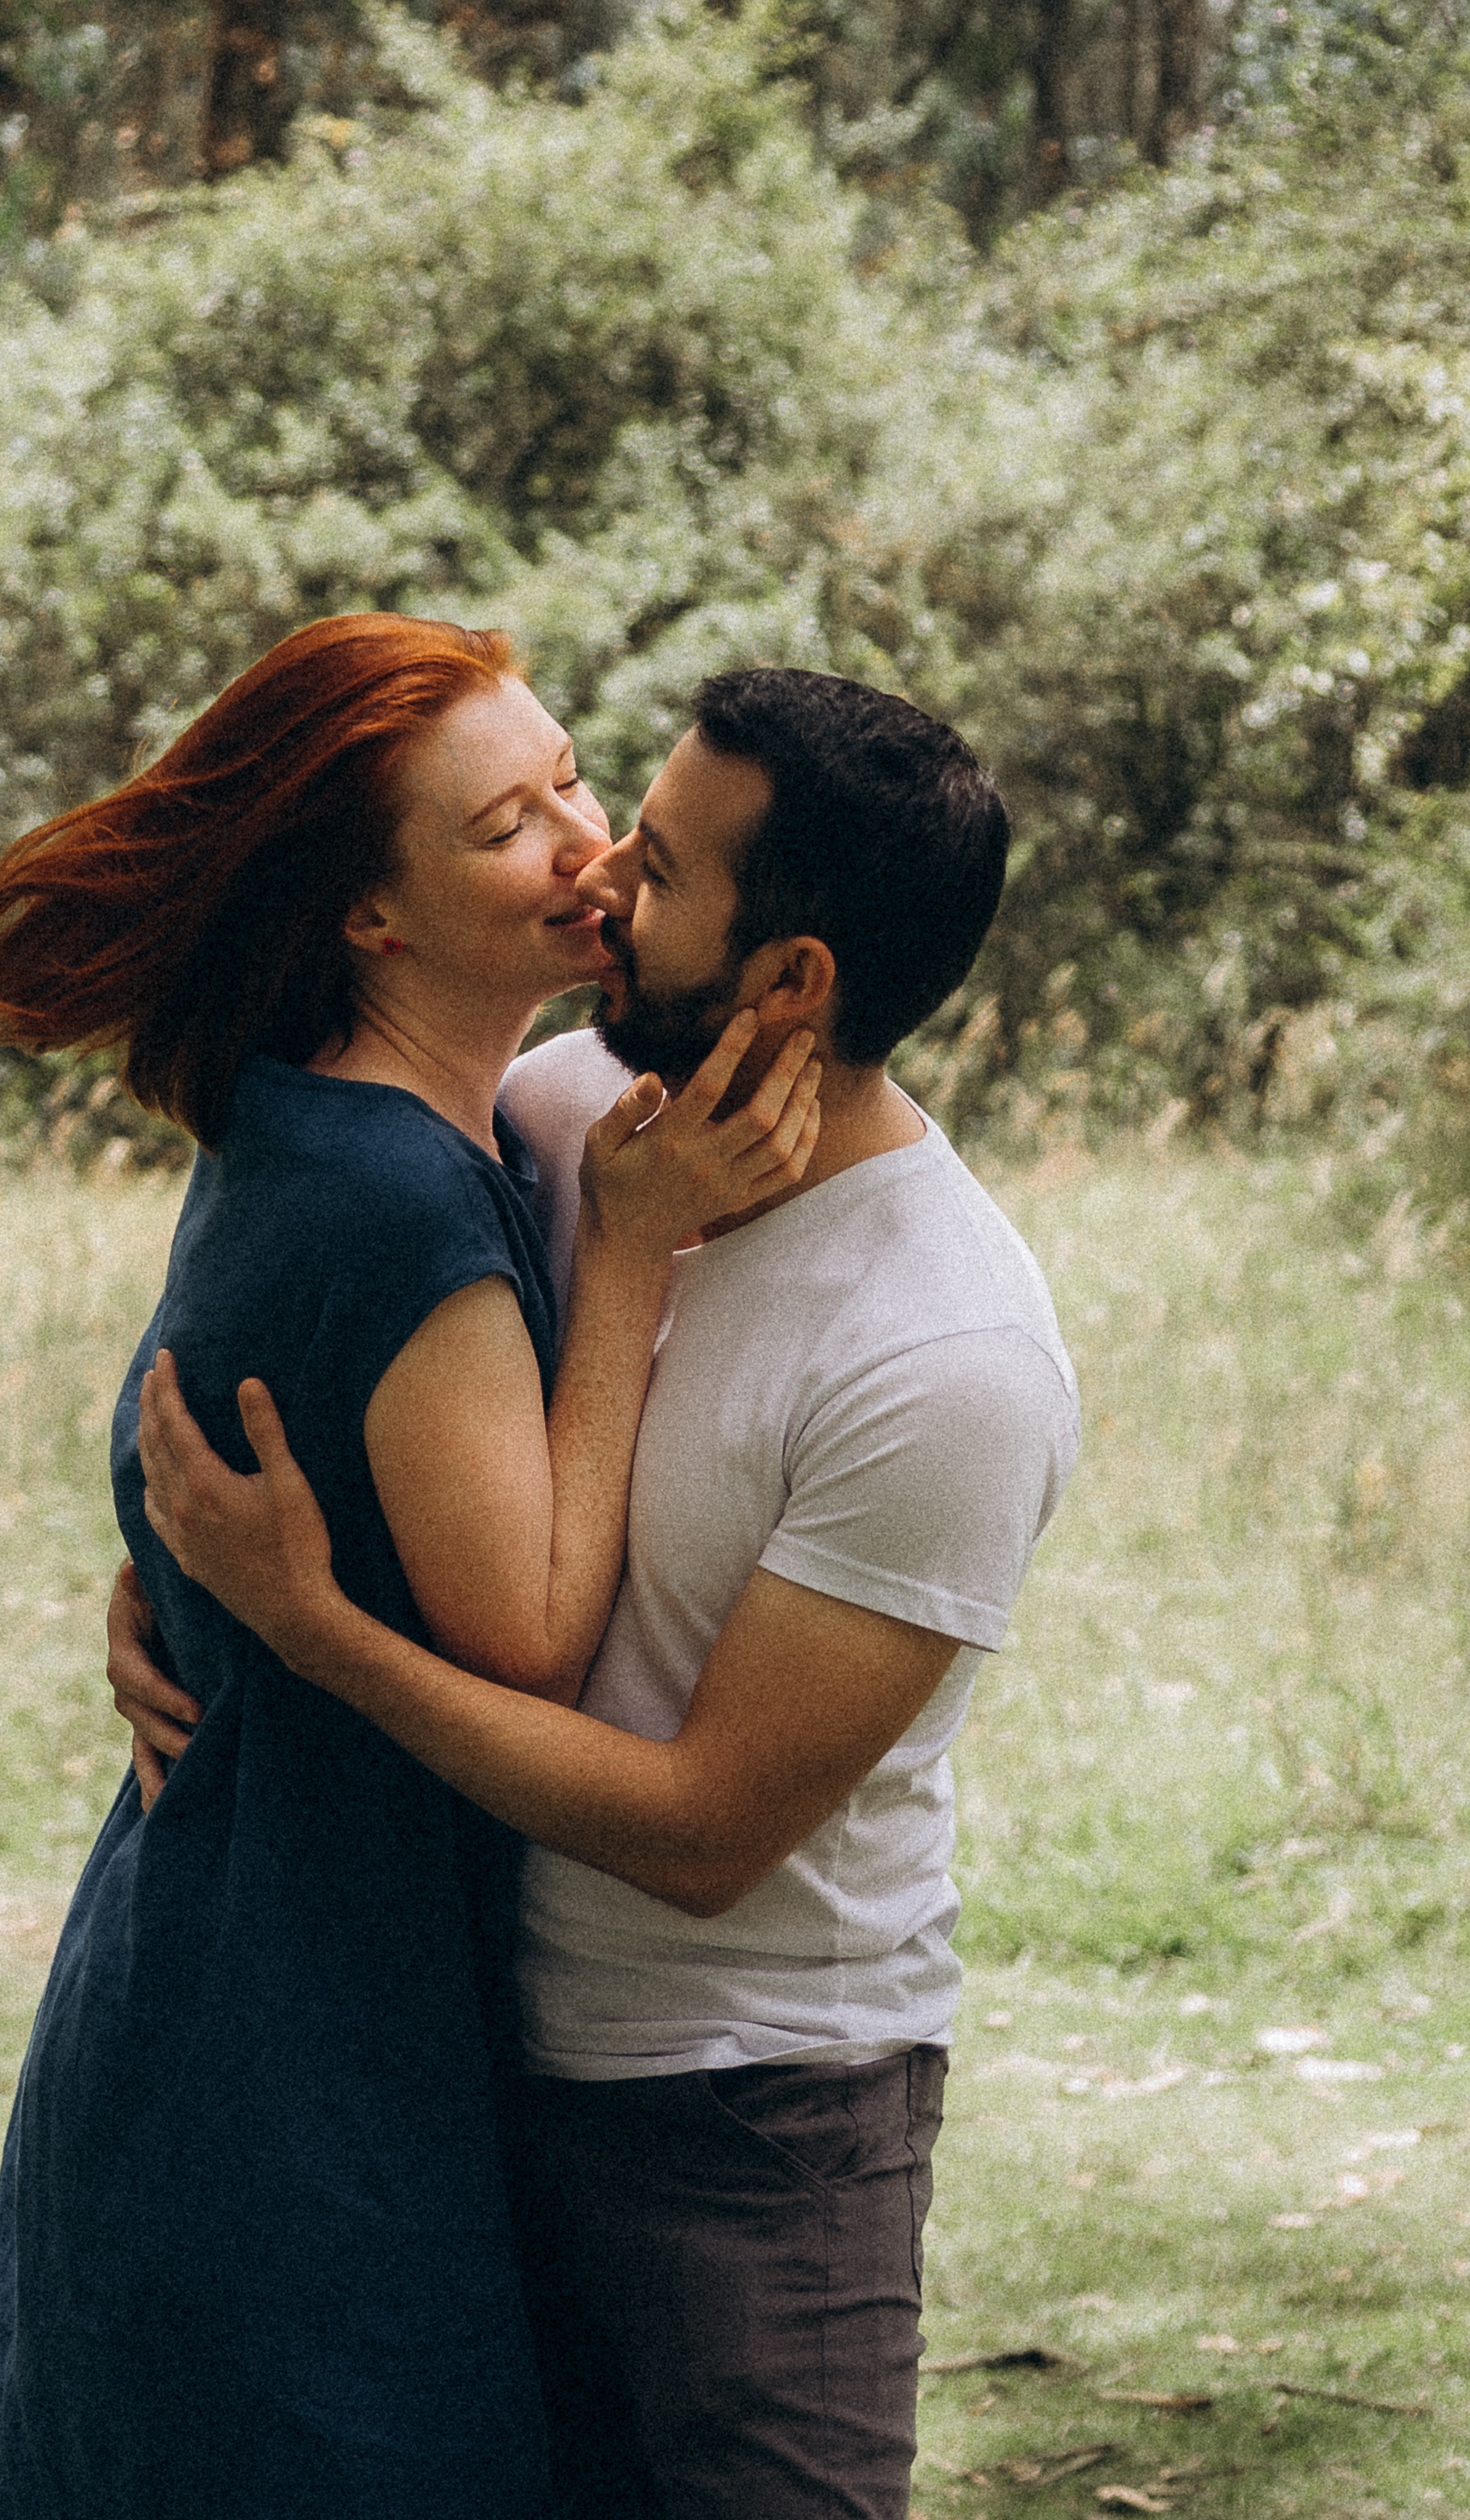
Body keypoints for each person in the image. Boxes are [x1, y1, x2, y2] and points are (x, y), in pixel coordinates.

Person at [122, 664, 1081, 2520]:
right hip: (471, 2051)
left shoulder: (944, 1350)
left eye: (650, 862)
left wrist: (312, 1634)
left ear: (788, 978)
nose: (597, 876)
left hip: (753, 2117)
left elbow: (708, 1832)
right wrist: (170, 1574)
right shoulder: (562, 1116)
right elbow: (324, 1332)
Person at [0, 613, 822, 2520]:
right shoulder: (396, 1183)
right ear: (370, 914)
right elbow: (522, 1634)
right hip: (283, 2064)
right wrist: (633, 1256)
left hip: (261, 1993)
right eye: (509, 825)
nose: (585, 846)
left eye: (574, 780)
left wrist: (187, 1610)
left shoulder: (357, 1121)